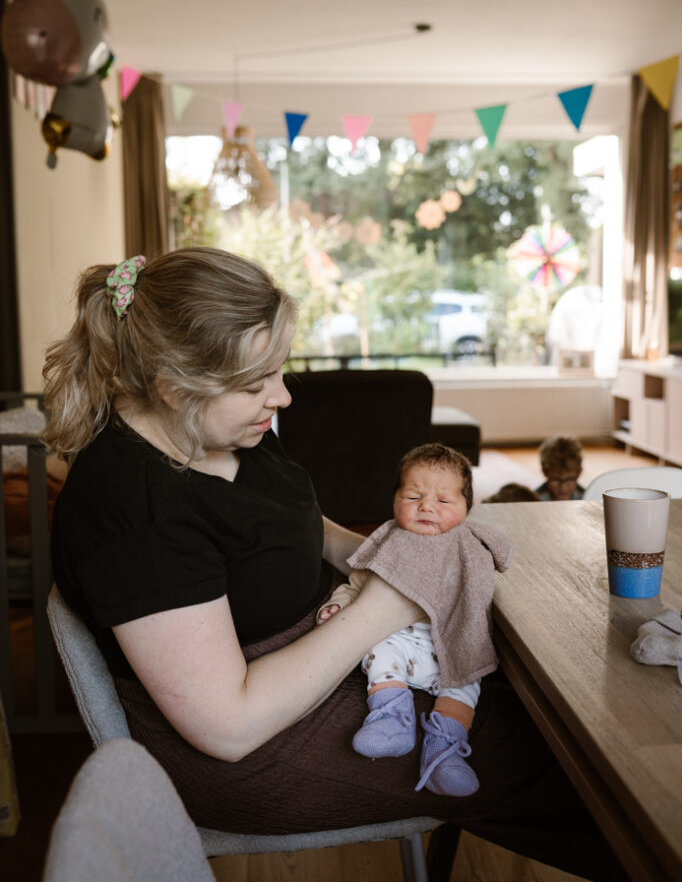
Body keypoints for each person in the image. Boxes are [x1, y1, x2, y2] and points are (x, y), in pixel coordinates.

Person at [45, 248, 627, 882]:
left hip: (326, 649)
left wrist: (377, 555)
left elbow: (282, 523)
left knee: (548, 687)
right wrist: (387, 603)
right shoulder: (135, 510)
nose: (283, 396)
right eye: (256, 381)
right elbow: (230, 727)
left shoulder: (217, 428)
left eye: (280, 369)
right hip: (263, 744)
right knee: (586, 761)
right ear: (172, 385)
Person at [316, 443, 512, 798]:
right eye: (412, 497)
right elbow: (357, 583)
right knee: (378, 650)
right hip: (398, 640)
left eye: (443, 500)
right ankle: (391, 718)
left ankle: (444, 751)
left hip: (449, 644)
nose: (426, 506)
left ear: (468, 507)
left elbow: (503, 554)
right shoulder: (389, 542)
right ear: (394, 500)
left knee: (468, 679)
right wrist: (337, 605)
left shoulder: (468, 546)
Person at [535, 436, 585, 501]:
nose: (563, 487)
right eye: (556, 480)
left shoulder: (587, 498)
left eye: (569, 479)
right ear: (544, 471)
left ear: (579, 472)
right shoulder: (534, 500)